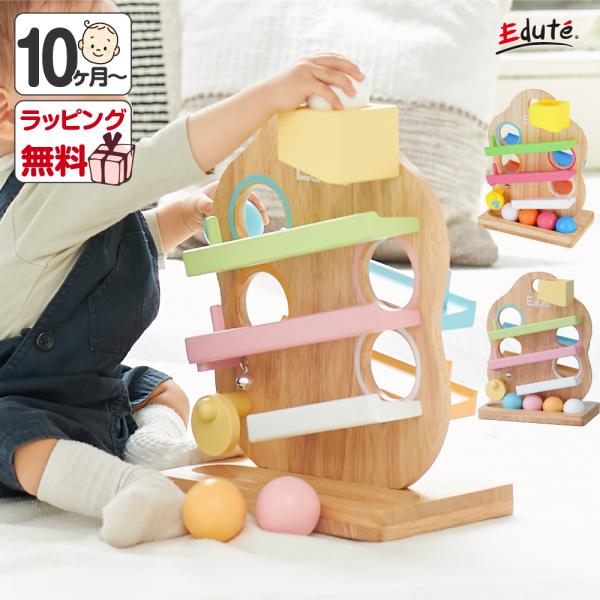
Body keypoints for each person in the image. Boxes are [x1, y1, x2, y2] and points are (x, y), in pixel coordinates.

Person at [0, 0, 364, 547]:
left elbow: (105, 251)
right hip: (15, 399)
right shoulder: (42, 190)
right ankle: (125, 488)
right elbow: (160, 160)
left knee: (156, 388)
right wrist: (268, 97)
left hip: (84, 390)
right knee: (15, 436)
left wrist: (183, 216)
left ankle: (153, 450)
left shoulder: (67, 192)